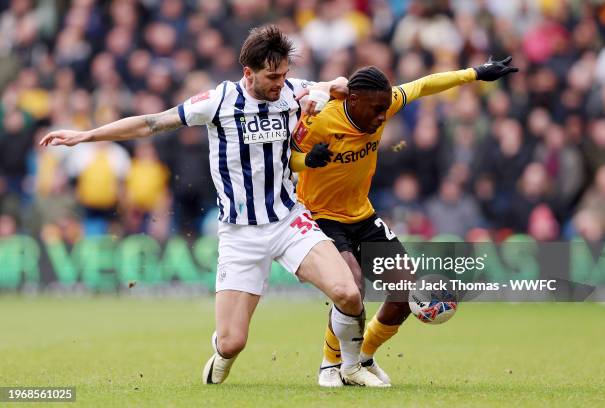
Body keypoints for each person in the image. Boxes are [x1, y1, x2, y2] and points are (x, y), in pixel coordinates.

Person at [40, 25, 387, 387]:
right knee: (233, 341)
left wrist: (345, 85)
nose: (279, 83)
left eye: (284, 74)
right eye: (272, 77)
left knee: (348, 292)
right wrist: (87, 135)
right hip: (240, 234)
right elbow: (150, 123)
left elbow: (335, 84)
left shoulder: (291, 90)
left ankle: (348, 367)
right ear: (248, 73)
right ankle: (221, 353)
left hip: (289, 220)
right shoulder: (217, 101)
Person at [289, 58, 518, 386]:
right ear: (353, 100)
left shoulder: (385, 102)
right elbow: (286, 157)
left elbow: (424, 84)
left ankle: (363, 357)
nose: (384, 116)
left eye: (386, 107)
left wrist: (477, 73)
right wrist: (307, 160)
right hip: (321, 216)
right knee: (351, 286)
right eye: (377, 109)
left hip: (362, 215)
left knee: (405, 295)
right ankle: (330, 364)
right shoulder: (321, 119)